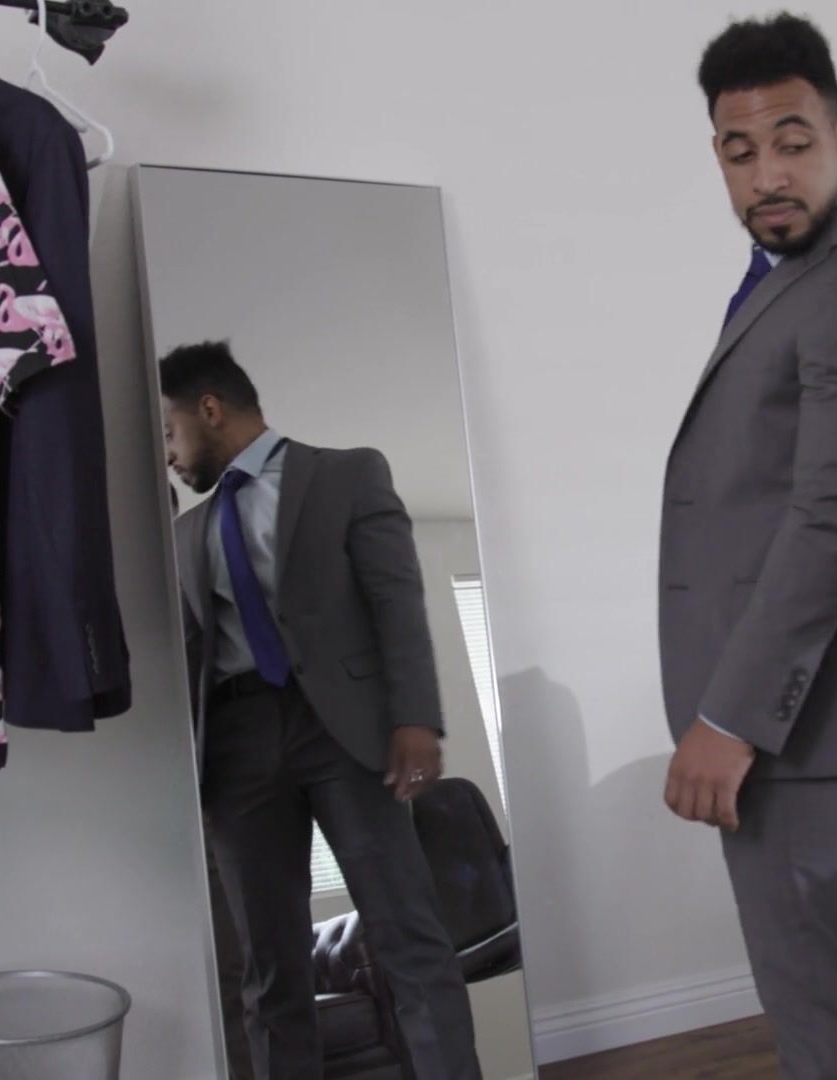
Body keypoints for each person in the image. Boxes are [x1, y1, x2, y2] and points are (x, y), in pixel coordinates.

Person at [657, 14, 837, 1078]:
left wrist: (731, 717)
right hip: (791, 722)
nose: (767, 176)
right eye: (741, 152)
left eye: (793, 142)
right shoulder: (801, 272)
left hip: (797, 724)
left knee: (831, 1011)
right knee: (823, 999)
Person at [160, 341, 480, 1080]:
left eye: (171, 433)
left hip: (344, 730)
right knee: (269, 967)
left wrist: (416, 718)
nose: (170, 454)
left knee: (408, 936)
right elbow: (185, 656)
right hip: (235, 745)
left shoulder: (347, 473)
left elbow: (395, 597)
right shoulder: (184, 532)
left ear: (210, 409)